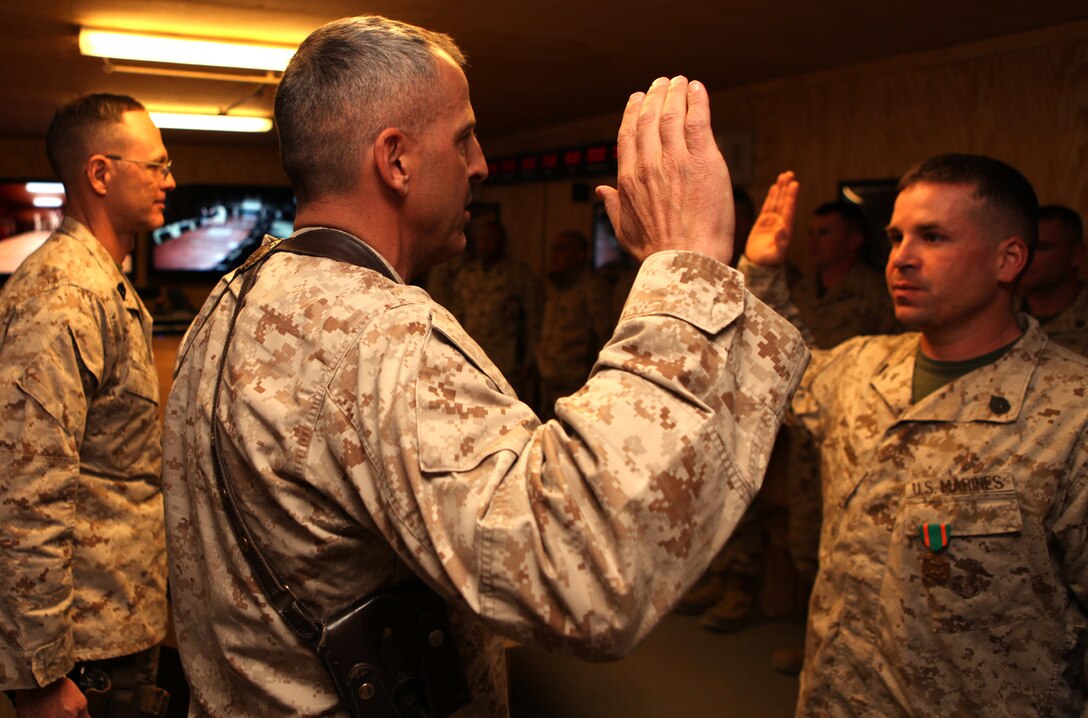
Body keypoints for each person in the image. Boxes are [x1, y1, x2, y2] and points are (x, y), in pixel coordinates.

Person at [161, 15, 809, 717]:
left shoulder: (239, 297)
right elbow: (584, 573)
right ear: (396, 160)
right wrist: (685, 272)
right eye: (464, 137)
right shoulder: (378, 334)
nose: (481, 164)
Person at [742, 158, 1088, 715]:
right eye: (896, 237)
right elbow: (774, 368)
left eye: (933, 237)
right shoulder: (861, 368)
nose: (902, 257)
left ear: (1008, 259)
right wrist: (761, 270)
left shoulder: (1071, 413)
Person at [0, 94, 174, 716]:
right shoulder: (65, 293)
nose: (169, 180)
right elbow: (28, 489)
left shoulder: (100, 280)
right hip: (82, 649)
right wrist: (41, 671)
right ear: (100, 174)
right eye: (154, 167)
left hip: (116, 623)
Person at [450, 219, 541, 400]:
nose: (485, 245)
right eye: (481, 240)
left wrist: (529, 360)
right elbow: (456, 315)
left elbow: (534, 320)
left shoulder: (518, 274)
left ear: (501, 242)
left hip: (507, 360)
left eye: (490, 240)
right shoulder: (467, 274)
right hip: (472, 357)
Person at [534, 229, 615, 421]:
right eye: (553, 249)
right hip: (547, 381)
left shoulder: (593, 288)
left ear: (579, 255)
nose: (554, 256)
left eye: (561, 250)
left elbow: (605, 336)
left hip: (576, 384)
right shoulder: (552, 286)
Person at [1020, 204, 1087, 355]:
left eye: (1042, 248)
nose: (1027, 258)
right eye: (1022, 248)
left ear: (1076, 255)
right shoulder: (998, 317)